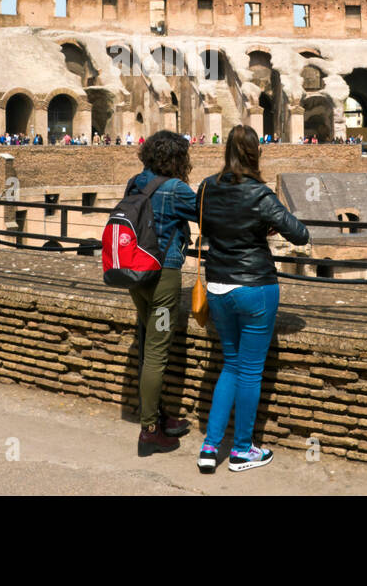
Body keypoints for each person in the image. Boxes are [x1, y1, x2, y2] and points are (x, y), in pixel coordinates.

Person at [195, 125, 309, 474]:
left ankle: (210, 447)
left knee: (230, 364)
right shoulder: (259, 193)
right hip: (254, 287)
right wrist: (263, 225)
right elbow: (300, 235)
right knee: (249, 371)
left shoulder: (206, 187)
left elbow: (208, 225)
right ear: (254, 152)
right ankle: (243, 450)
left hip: (217, 286)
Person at [125, 130, 199, 456]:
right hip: (163, 278)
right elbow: (207, 215)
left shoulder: (134, 183)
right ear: (177, 158)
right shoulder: (177, 189)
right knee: (157, 351)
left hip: (134, 275)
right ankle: (149, 431)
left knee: (148, 346)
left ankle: (156, 414)